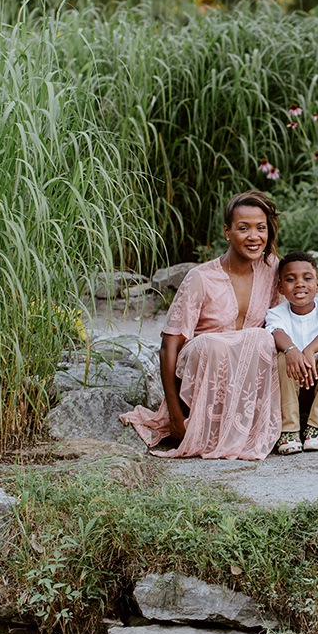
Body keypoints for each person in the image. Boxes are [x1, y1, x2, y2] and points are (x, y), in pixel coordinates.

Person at [119, 190, 282, 459]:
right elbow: (169, 347)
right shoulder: (201, 278)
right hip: (203, 376)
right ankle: (199, 422)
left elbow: (285, 321)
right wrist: (173, 414)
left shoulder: (272, 269)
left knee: (265, 338)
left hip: (248, 383)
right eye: (243, 228)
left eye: (260, 228)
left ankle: (251, 426)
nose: (254, 236)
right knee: (213, 344)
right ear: (227, 232)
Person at [266, 251, 318, 454]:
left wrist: (310, 349)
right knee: (283, 356)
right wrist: (292, 350)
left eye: (307, 278)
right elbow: (276, 331)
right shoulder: (276, 313)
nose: (300, 284)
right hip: (291, 391)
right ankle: (289, 429)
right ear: (280, 287)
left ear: (317, 285)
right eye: (290, 279)